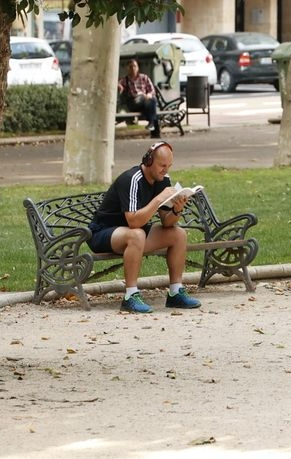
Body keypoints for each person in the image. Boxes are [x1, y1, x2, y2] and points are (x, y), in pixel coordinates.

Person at [87, 141, 201, 313]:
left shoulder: (163, 180)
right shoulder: (132, 179)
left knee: (178, 234)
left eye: (169, 166)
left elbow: (167, 223)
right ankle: (130, 297)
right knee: (137, 234)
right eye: (162, 165)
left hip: (133, 233)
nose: (166, 170)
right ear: (149, 161)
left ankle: (175, 293)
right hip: (103, 233)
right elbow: (133, 221)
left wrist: (177, 209)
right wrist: (158, 199)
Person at [117, 59, 160, 138]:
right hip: (134, 103)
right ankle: (153, 128)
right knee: (152, 103)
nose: (133, 68)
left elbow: (152, 90)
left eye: (134, 66)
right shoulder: (125, 80)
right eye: (130, 67)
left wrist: (149, 94)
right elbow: (120, 86)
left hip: (145, 102)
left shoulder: (144, 77)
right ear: (127, 68)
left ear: (138, 67)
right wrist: (119, 87)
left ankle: (154, 131)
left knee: (151, 101)